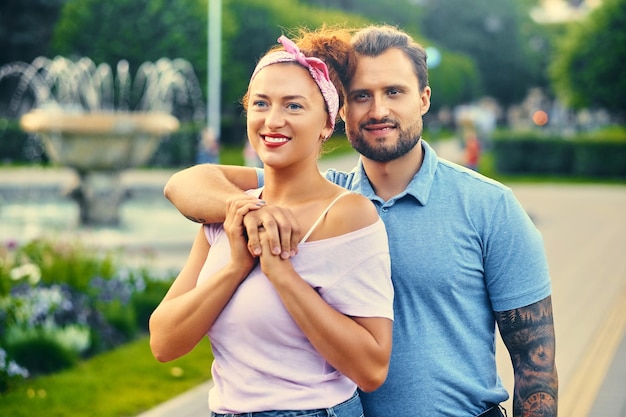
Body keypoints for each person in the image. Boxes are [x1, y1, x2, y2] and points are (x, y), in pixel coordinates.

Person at [163, 25, 558, 417]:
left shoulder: (488, 206)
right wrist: (249, 214)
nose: (378, 110)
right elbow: (188, 182)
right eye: (361, 96)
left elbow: (534, 364)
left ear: (423, 99)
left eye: (394, 92)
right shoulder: (321, 198)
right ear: (339, 110)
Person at [149, 33, 394, 416]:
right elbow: (164, 343)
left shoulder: (347, 214)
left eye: (294, 106)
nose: (273, 120)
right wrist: (234, 266)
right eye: (261, 103)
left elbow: (372, 368)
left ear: (327, 124)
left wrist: (282, 274)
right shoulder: (230, 216)